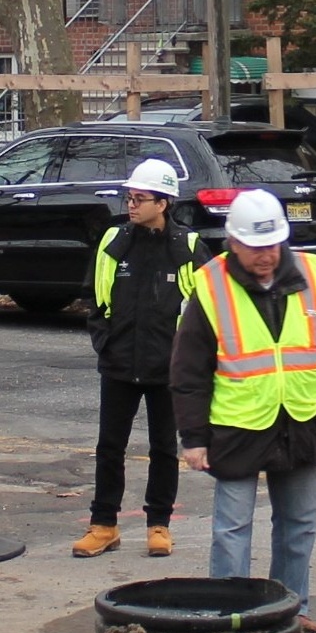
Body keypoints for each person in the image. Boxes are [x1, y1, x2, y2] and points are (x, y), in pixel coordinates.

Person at [171, 188, 316, 629]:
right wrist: (193, 438)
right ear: (234, 243)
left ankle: (293, 611)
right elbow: (188, 370)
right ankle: (231, 618)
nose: (266, 256)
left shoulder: (311, 274)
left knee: (299, 526)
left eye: (272, 245)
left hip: (303, 421)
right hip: (238, 429)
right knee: (232, 532)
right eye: (255, 247)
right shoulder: (212, 287)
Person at [73, 158, 211, 559]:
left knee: (164, 448)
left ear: (163, 203)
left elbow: (207, 309)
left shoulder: (186, 248)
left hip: (167, 369)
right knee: (109, 447)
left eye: (139, 198)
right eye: (129, 197)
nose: (131, 205)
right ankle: (104, 525)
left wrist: (186, 359)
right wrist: (105, 343)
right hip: (119, 364)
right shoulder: (115, 242)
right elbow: (95, 296)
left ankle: (159, 526)